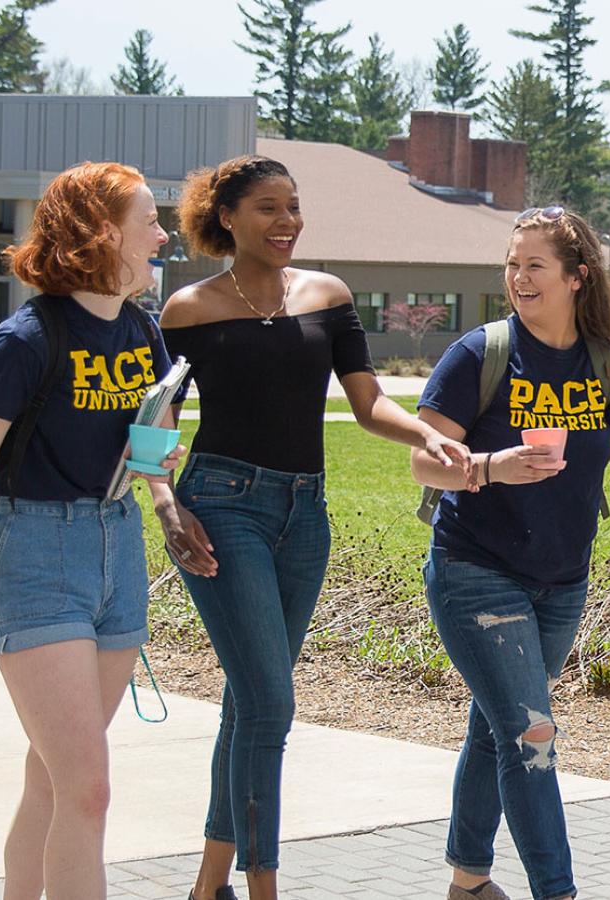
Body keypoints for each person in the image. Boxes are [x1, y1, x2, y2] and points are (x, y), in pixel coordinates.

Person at [154, 155, 472, 900]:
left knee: (251, 697)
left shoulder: (327, 297)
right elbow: (154, 426)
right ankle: (261, 883)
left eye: (293, 207)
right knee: (270, 701)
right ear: (227, 217)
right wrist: (167, 506)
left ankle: (207, 886)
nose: (287, 222)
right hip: (221, 506)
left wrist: (424, 435)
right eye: (268, 208)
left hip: (306, 515)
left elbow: (367, 404)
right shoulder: (187, 310)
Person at [0, 161, 182, 900]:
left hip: (116, 548)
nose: (162, 233)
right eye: (149, 219)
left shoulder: (145, 331)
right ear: (105, 232)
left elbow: (149, 446)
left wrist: (163, 483)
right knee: (89, 789)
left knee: (55, 783)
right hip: (33, 556)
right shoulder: (21, 343)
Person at [412, 206, 610, 900]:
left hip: (562, 580)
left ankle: (468, 881)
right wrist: (493, 465)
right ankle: (558, 892)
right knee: (530, 735)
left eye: (535, 265)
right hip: (476, 570)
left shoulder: (604, 363)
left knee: (495, 724)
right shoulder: (481, 353)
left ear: (577, 277)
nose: (518, 278)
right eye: (512, 263)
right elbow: (424, 462)